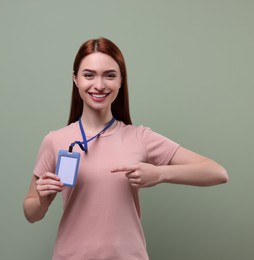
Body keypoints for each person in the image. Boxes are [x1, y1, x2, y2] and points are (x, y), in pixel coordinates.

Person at [23, 37, 228, 260]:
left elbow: (217, 172)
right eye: (89, 75)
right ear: (75, 79)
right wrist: (43, 199)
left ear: (121, 81)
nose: (99, 85)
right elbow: (31, 213)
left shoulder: (140, 137)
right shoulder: (55, 140)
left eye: (110, 75)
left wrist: (159, 173)